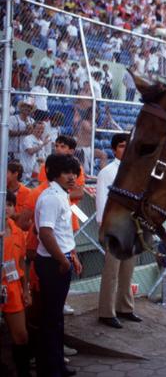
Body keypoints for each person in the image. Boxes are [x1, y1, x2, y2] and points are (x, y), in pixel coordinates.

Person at [34, 153, 83, 377]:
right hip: (53, 263)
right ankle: (50, 368)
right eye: (66, 172)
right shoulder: (52, 197)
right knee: (51, 318)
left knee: (55, 317)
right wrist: (63, 261)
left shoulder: (61, 194)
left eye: (74, 172)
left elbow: (62, 234)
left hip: (60, 260)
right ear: (54, 173)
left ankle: (56, 365)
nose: (72, 177)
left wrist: (71, 256)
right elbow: (45, 233)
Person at [96, 133, 141, 329]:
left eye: (128, 146)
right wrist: (104, 227)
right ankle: (106, 312)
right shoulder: (107, 172)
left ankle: (125, 308)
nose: (126, 149)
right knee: (111, 272)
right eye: (122, 146)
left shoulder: (136, 171)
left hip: (132, 226)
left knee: (127, 271)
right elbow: (101, 203)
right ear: (114, 149)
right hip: (114, 227)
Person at [2, 192, 32, 377]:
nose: (5, 208)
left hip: (12, 288)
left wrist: (26, 290)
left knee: (21, 335)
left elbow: (22, 264)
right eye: (2, 203)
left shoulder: (19, 233)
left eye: (9, 204)